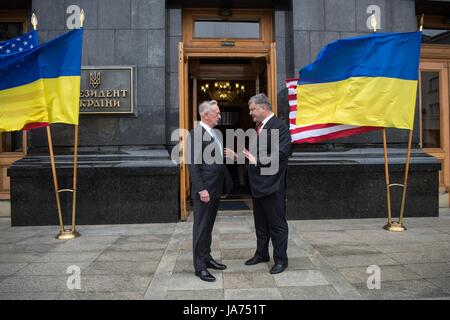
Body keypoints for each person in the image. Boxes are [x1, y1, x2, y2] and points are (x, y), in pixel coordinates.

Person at [225, 93, 292, 274]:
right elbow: (252, 157)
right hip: (257, 185)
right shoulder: (259, 127)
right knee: (260, 223)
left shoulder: (280, 126)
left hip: (272, 185)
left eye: (253, 109)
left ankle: (281, 260)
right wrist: (238, 157)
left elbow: (282, 154)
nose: (251, 113)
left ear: (263, 107)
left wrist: (258, 160)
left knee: (277, 225)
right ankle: (262, 254)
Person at [188, 100, 233, 282]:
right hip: (204, 191)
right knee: (201, 229)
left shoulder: (216, 134)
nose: (220, 116)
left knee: (208, 227)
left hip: (215, 189)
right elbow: (193, 165)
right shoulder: (195, 134)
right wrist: (201, 189)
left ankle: (206, 258)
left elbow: (216, 162)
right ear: (205, 115)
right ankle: (200, 267)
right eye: (217, 113)